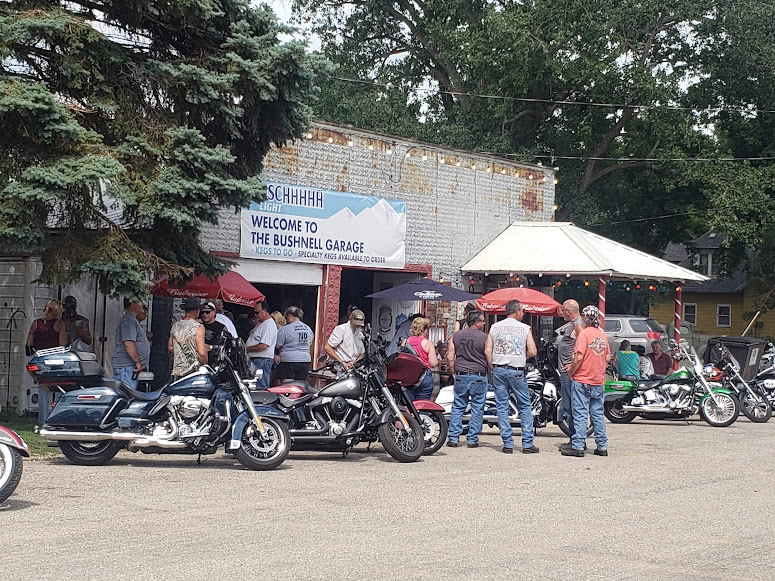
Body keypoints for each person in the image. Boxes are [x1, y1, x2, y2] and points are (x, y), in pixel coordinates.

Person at [484, 299, 539, 454]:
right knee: (524, 405)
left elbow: (488, 351)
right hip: (516, 370)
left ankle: (508, 443)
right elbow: (533, 351)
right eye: (522, 311)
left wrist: (492, 366)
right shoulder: (524, 328)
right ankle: (527, 443)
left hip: (499, 369)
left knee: (502, 406)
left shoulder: (495, 327)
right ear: (516, 311)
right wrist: (522, 356)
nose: (523, 313)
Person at [562, 306, 611, 458]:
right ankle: (602, 446)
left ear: (585, 318)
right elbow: (608, 358)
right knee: (597, 413)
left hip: (583, 379)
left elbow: (578, 357)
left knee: (581, 413)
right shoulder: (602, 335)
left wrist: (571, 371)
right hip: (598, 380)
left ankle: (578, 446)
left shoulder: (584, 334)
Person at [446, 310, 488, 448]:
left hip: (461, 374)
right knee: (477, 407)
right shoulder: (485, 337)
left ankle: (453, 437)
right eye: (482, 321)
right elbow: (488, 353)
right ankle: (472, 438)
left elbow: (450, 356)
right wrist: (491, 368)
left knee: (458, 406)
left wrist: (453, 372)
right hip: (479, 375)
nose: (484, 323)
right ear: (477, 323)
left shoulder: (456, 336)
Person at [26, 299, 66, 424]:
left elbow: (29, 343)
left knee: (42, 390)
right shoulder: (59, 324)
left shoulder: (36, 324)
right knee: (59, 389)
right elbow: (62, 344)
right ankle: (55, 418)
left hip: (40, 359)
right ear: (57, 310)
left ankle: (43, 421)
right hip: (55, 359)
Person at [556, 299, 583, 447]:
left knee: (571, 406)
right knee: (570, 406)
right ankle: (575, 439)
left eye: (563, 310)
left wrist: (572, 364)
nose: (561, 313)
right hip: (566, 372)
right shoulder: (573, 324)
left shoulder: (577, 325)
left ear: (568, 311)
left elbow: (583, 344)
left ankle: (576, 440)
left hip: (569, 374)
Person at [112, 298, 151, 389]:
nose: (142, 305)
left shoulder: (132, 320)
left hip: (129, 367)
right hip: (126, 367)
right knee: (127, 396)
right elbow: (129, 344)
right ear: (132, 304)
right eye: (140, 302)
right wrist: (137, 362)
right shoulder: (128, 321)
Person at [168, 297, 207, 380]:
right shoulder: (198, 327)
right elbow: (202, 353)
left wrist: (181, 349)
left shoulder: (176, 326)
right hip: (193, 371)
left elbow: (170, 347)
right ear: (197, 311)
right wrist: (205, 364)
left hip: (177, 371)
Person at [401, 317, 439, 401]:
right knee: (423, 405)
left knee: (409, 406)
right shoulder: (428, 343)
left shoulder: (406, 342)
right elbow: (433, 363)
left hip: (408, 377)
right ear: (425, 329)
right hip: (424, 376)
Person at [274, 306, 314, 380]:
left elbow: (277, 345)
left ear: (289, 316)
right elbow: (310, 342)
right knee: (300, 384)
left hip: (288, 360)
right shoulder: (308, 329)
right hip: (305, 360)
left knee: (287, 383)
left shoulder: (285, 329)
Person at [246, 301, 278, 389]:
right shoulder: (262, 324)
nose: (255, 315)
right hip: (257, 360)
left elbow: (264, 345)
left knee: (260, 386)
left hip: (262, 360)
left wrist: (247, 349)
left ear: (264, 311)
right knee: (255, 386)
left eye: (257, 312)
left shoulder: (269, 325)